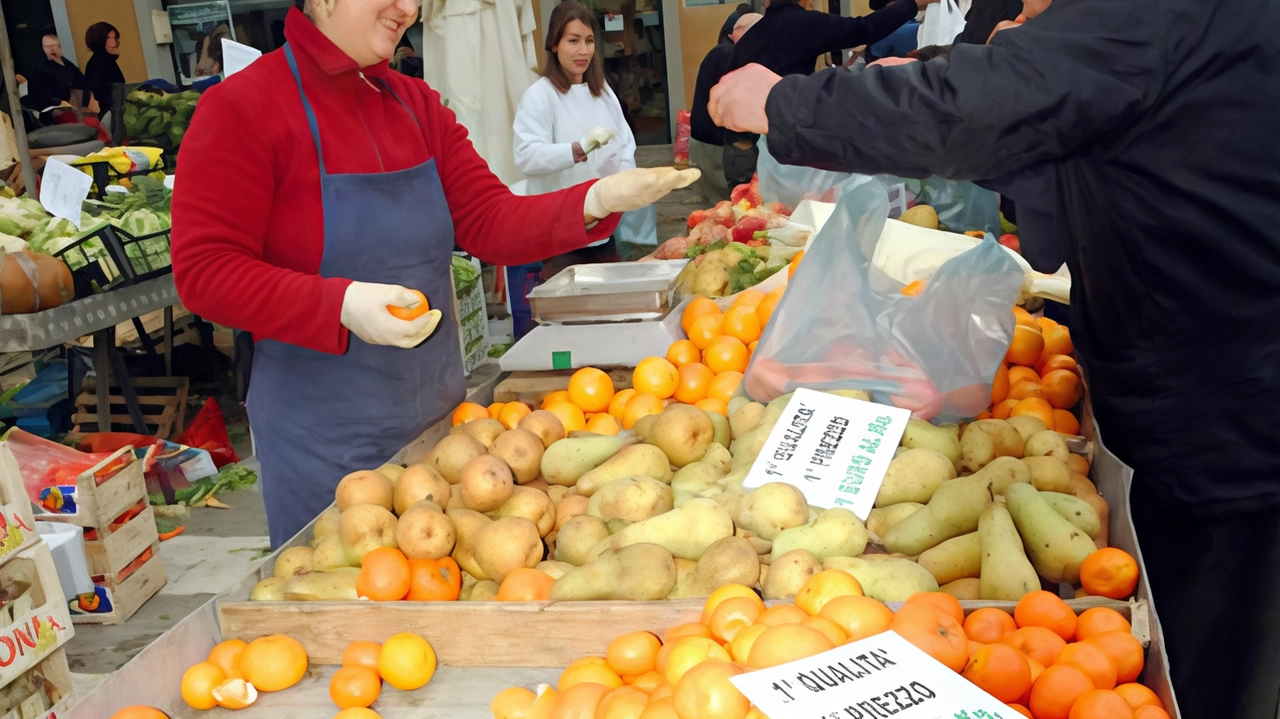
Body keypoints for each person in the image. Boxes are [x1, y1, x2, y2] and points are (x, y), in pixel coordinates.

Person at [710, 0, 1280, 716]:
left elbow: (982, 105)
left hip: (1223, 404)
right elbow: (1055, 88)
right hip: (1212, 377)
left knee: (1214, 656)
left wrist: (781, 103)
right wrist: (927, 67)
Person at [171, 0, 697, 547]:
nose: (410, 9)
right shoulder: (242, 108)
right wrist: (340, 305)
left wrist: (594, 198)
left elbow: (488, 219)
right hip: (325, 440)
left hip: (441, 430)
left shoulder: (415, 104)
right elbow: (205, 271)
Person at [719, 0, 936, 185]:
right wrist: (912, 4)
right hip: (770, 144)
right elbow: (863, 28)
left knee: (746, 212)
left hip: (738, 144)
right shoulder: (799, 22)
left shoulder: (756, 32)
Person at [513, 1, 645, 270]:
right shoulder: (540, 95)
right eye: (573, 41)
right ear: (554, 44)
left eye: (589, 41)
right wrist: (576, 149)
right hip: (559, 231)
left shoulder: (603, 92)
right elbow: (526, 156)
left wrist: (625, 183)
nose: (583, 51)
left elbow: (625, 143)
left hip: (603, 227)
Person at [688, 12, 762, 198]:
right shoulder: (732, 56)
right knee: (725, 211)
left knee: (717, 208)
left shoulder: (720, 51)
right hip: (719, 147)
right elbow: (737, 107)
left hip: (707, 142)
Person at [30, 31, 87, 112]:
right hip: (57, 108)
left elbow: (81, 81)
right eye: (48, 47)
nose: (52, 49)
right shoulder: (41, 68)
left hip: (78, 104)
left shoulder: (65, 62)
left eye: (54, 46)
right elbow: (44, 95)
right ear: (43, 48)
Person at [82, 22, 125, 113]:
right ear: (100, 41)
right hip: (109, 114)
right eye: (108, 38)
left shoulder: (108, 61)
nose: (114, 42)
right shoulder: (97, 64)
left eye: (115, 38)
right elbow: (100, 95)